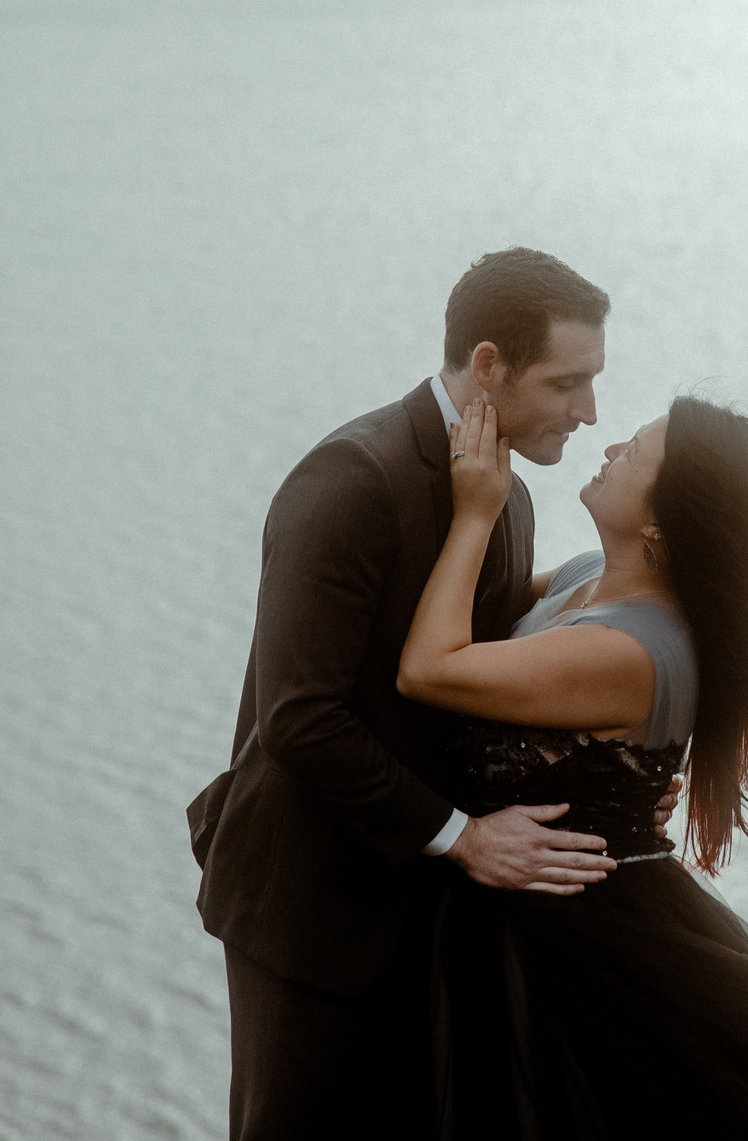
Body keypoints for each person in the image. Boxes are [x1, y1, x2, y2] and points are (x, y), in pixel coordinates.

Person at [188, 248, 668, 1139]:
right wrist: (464, 836)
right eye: (567, 382)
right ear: (489, 364)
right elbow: (299, 718)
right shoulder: (350, 479)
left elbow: (499, 675)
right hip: (312, 904)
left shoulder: (507, 495)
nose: (589, 410)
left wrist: (627, 765)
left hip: (431, 914)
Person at [396, 396, 748, 1139]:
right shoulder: (588, 577)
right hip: (525, 911)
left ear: (661, 521)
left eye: (634, 451)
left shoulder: (629, 651)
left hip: (573, 947)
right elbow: (471, 618)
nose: (609, 447)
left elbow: (429, 668)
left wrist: (475, 513)